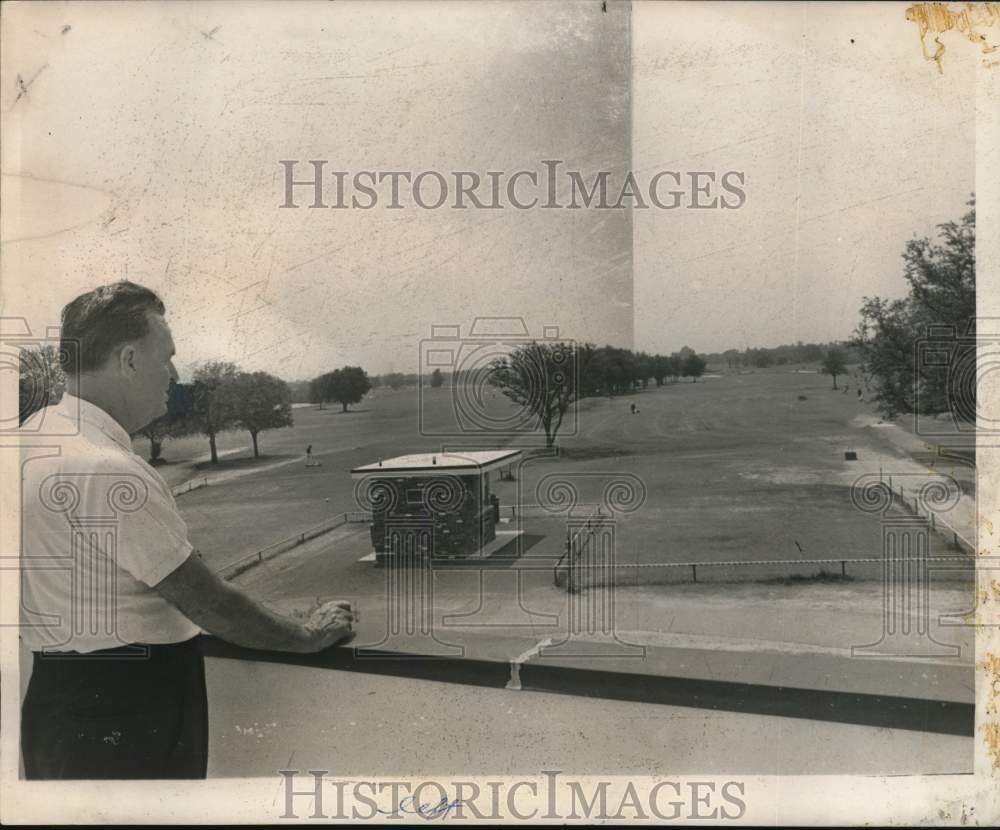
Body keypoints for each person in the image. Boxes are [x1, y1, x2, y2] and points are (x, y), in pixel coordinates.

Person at [19, 281, 355, 780]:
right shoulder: (108, 469)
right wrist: (308, 635)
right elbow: (207, 601)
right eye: (168, 358)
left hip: (52, 703)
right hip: (130, 710)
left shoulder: (32, 439)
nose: (173, 375)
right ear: (129, 359)